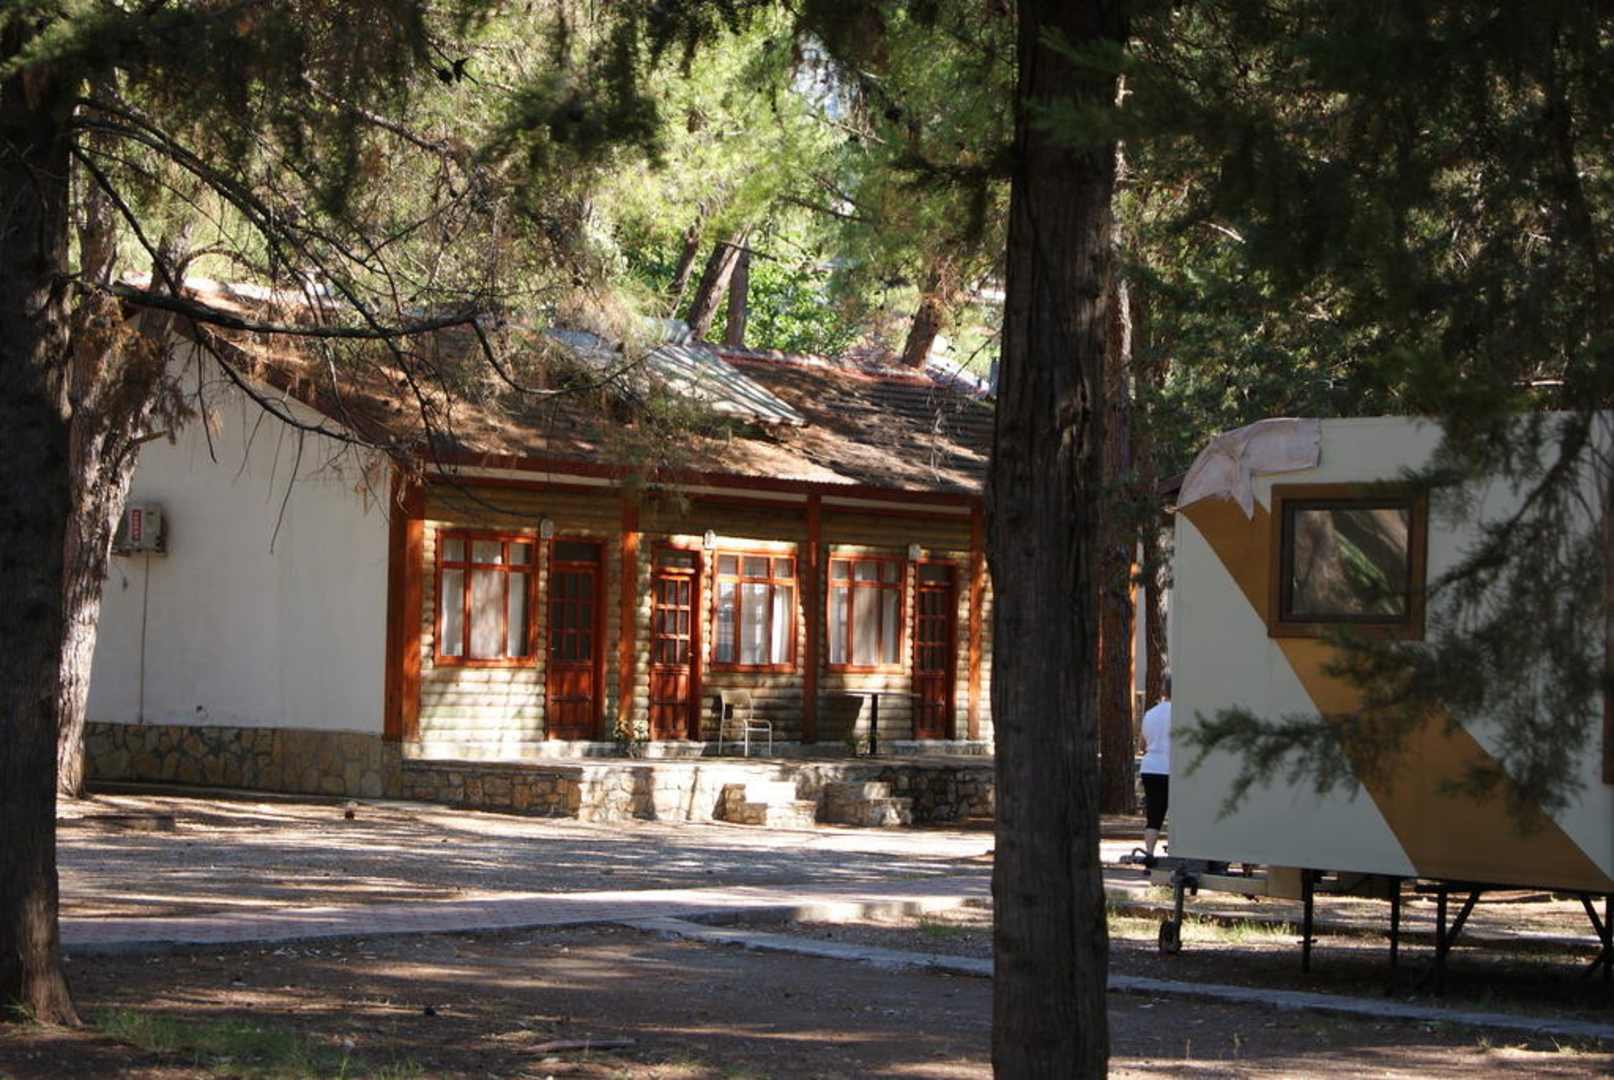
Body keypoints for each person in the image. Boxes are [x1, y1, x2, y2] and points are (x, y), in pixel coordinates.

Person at [1137, 673, 1172, 866]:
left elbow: (1142, 745)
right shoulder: (1180, 713)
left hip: (1150, 767)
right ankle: (1176, 849)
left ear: (1162, 691)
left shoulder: (1150, 714)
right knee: (1178, 811)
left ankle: (1149, 852)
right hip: (1171, 768)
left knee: (1154, 813)